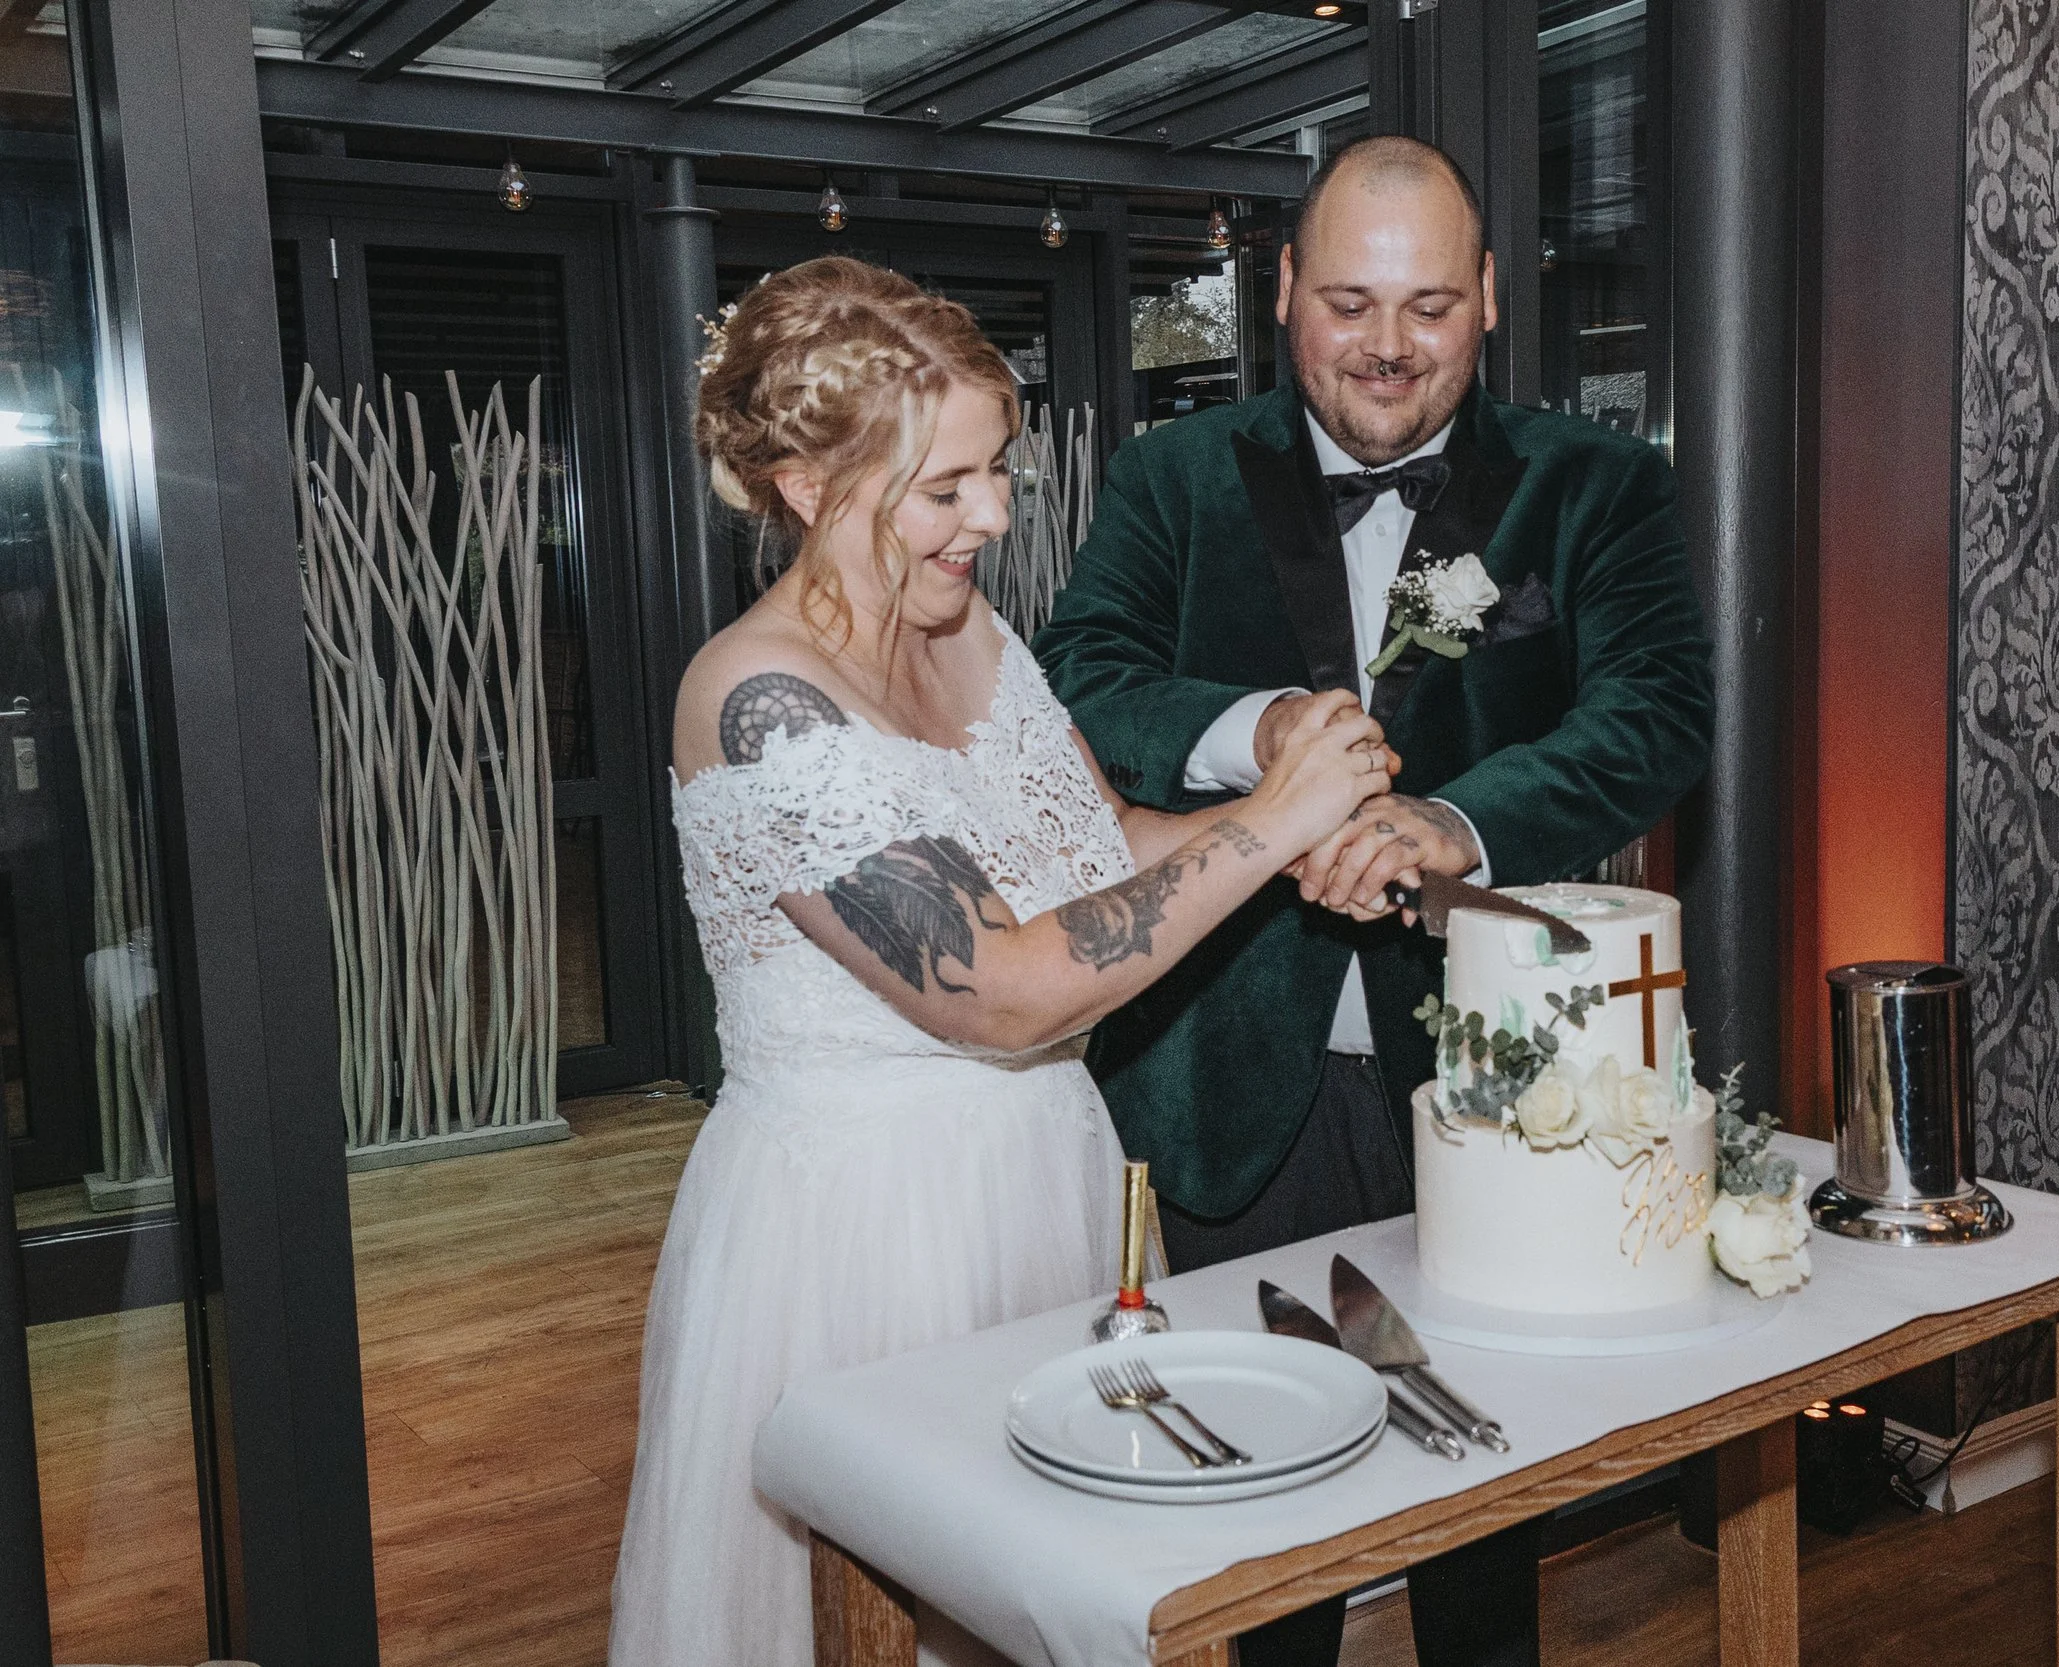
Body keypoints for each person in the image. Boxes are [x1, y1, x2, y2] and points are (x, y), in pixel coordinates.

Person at [608, 256, 1397, 1667]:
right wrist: (1275, 822)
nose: (993, 515)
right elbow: (1004, 987)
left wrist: (1308, 828)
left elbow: (1106, 849)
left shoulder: (967, 627)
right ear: (807, 486)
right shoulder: (755, 701)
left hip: (1047, 1181)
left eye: (997, 471)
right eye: (945, 488)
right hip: (862, 1236)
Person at [1032, 136, 1713, 1667]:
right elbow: (1081, 675)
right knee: (1261, 1510)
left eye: (1428, 305)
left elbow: (1659, 711)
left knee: (1480, 1484)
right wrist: (1261, 733)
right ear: (1283, 291)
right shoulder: (1169, 478)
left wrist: (1456, 823)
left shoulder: (1598, 484)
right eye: (1349, 302)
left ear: (1490, 298)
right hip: (1229, 1081)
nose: (1388, 345)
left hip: (1492, 1083)